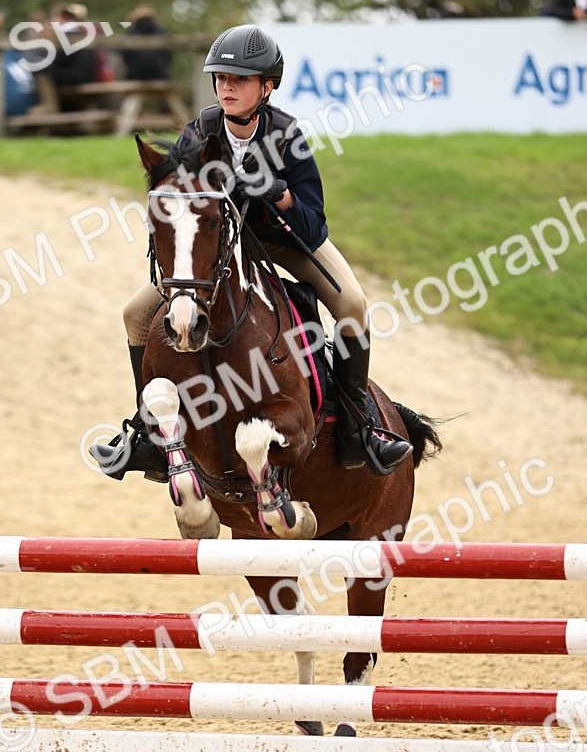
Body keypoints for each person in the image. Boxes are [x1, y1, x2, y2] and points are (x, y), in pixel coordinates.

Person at [103, 24, 413, 482]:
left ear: (267, 87)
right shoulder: (201, 131)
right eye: (221, 78)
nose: (227, 87)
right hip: (220, 249)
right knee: (134, 314)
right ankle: (148, 435)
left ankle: (357, 426)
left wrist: (279, 193)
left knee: (352, 304)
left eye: (240, 79)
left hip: (285, 241)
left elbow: (314, 221)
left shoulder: (288, 135)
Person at [120, 5, 171, 81]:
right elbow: (168, 56)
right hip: (160, 75)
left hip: (134, 76)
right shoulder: (161, 32)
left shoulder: (131, 32)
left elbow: (125, 57)